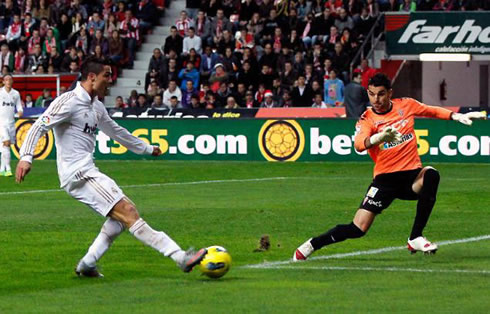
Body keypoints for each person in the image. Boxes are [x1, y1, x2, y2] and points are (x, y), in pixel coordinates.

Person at [16, 57, 207, 277]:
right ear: (91, 77)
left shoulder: (96, 106)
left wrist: (146, 148)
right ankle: (180, 257)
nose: (110, 80)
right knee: (128, 212)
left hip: (87, 171)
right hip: (78, 174)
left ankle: (87, 264)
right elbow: (39, 125)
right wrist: (26, 157)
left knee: (118, 221)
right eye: (106, 75)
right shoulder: (68, 101)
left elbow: (116, 132)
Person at [293, 73, 487, 261]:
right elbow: (359, 144)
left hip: (411, 178)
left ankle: (415, 237)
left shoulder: (406, 105)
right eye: (371, 94)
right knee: (357, 229)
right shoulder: (367, 119)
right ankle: (312, 244)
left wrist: (455, 116)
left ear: (390, 93)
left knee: (431, 175)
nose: (376, 99)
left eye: (381, 94)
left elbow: (432, 110)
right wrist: (379, 137)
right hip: (385, 181)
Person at [0, 75, 23, 177]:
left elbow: (19, 106)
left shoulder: (16, 93)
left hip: (11, 123)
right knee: (6, 142)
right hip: (1, 123)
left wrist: (20, 111)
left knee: (6, 146)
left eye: (10, 79)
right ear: (3, 82)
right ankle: (8, 168)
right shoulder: (0, 92)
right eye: (6, 80)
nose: (8, 81)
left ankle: (2, 169)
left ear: (12, 81)